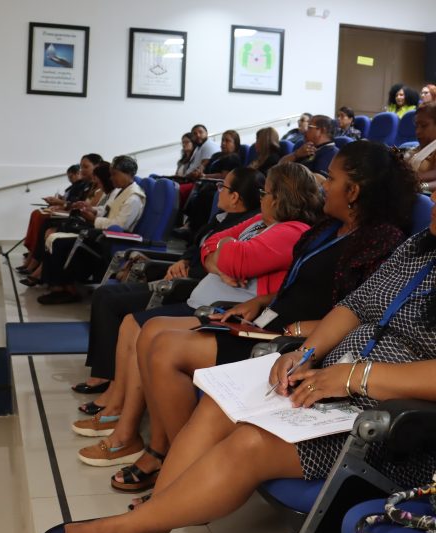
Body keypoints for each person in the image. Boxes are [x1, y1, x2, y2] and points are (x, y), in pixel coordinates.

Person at [36, 206, 436, 533]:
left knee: (251, 442)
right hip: (329, 379)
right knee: (219, 404)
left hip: (396, 419)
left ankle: (118, 531)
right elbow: (355, 307)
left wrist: (353, 377)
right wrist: (306, 353)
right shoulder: (421, 245)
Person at [89, 141, 413, 498]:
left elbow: (362, 312)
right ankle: (165, 453)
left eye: (332, 179)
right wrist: (261, 301)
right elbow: (298, 284)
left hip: (293, 340)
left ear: (352, 191)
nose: (324, 186)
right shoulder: (328, 227)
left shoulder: (381, 240)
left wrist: (300, 331)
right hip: (269, 321)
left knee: (166, 349)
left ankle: (177, 466)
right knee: (152, 330)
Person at [74, 163, 323, 473]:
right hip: (211, 302)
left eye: (266, 192)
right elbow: (211, 244)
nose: (261, 198)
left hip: (232, 312)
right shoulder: (261, 221)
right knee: (146, 328)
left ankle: (167, 455)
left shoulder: (292, 230)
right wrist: (221, 253)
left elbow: (234, 259)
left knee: (153, 336)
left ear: (280, 197)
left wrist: (224, 253)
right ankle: (146, 440)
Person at [72, 167, 264, 397]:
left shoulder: (248, 228)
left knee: (111, 303)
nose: (218, 190)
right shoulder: (220, 218)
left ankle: (108, 377)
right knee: (104, 294)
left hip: (191, 285)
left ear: (235, 197)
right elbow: (196, 247)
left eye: (223, 186)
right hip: (184, 274)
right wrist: (183, 260)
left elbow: (221, 266)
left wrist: (189, 268)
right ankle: (106, 372)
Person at [36, 156, 146, 304]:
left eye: (114, 174)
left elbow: (120, 225)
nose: (111, 178)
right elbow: (107, 209)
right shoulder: (123, 190)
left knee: (60, 242)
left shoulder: (134, 197)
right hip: (104, 232)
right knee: (58, 237)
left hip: (112, 239)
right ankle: (60, 286)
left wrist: (93, 219)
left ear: (127, 173)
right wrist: (92, 209)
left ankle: (65, 290)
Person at [18, 153, 103, 284]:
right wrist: (62, 205)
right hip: (79, 217)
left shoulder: (100, 188)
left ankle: (38, 268)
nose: (82, 171)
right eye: (81, 167)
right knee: (43, 219)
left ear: (97, 167)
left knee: (49, 225)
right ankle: (34, 261)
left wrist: (62, 205)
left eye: (85, 167)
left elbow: (89, 208)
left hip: (87, 223)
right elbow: (78, 203)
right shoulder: (89, 185)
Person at [405, 101, 436, 193]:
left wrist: (421, 186)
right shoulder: (416, 149)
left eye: (423, 126)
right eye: (416, 126)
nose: (417, 131)